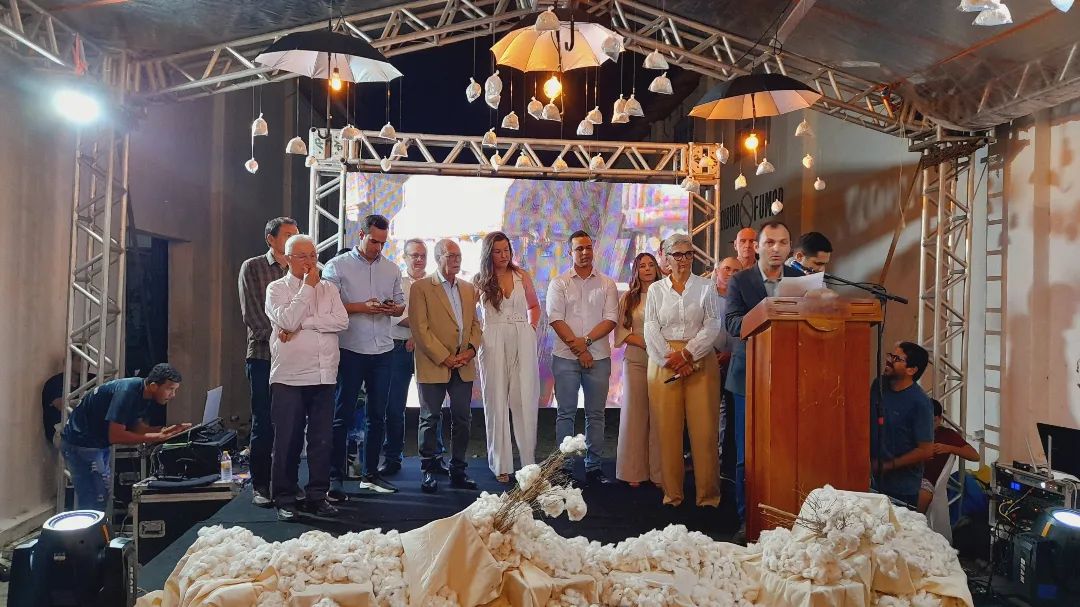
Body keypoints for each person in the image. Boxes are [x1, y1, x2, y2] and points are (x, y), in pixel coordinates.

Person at [724, 221, 803, 539]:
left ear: (789, 247)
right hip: (749, 377)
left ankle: (789, 515)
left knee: (787, 451)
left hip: (790, 376)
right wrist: (767, 311)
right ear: (757, 247)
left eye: (783, 242)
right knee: (748, 454)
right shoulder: (740, 280)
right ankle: (749, 519)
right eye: (769, 242)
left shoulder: (799, 279)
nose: (776, 248)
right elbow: (732, 324)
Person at [265, 234, 349, 521]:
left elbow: (342, 321)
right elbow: (287, 321)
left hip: (325, 374)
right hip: (289, 376)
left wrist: (306, 324)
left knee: (321, 439)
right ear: (288, 259)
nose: (310, 262)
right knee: (287, 440)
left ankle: (317, 495)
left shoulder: (329, 289)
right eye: (302, 256)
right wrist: (307, 289)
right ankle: (285, 497)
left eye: (313, 255)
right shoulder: (277, 289)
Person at [323, 214, 405, 498]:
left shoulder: (392, 268)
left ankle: (370, 474)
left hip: (383, 349)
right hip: (350, 348)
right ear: (360, 235)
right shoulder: (337, 265)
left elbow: (400, 304)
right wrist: (361, 307)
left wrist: (392, 308)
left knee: (377, 415)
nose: (378, 248)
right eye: (373, 241)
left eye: (382, 243)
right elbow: (328, 305)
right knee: (341, 415)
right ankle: (334, 477)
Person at [644, 234, 723, 507]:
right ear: (666, 258)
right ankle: (673, 495)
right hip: (664, 362)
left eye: (688, 254)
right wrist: (672, 358)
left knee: (705, 431)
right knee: (667, 432)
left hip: (700, 360)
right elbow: (650, 328)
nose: (683, 260)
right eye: (677, 254)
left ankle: (708, 497)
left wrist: (688, 354)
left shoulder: (706, 286)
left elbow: (713, 324)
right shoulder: (655, 290)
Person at [60, 364, 188, 511]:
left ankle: (98, 524)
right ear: (154, 386)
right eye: (170, 389)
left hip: (96, 443)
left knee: (102, 495)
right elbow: (115, 436)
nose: (173, 395)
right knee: (94, 499)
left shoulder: (144, 394)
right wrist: (158, 436)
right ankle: (90, 525)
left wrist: (166, 431)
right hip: (81, 443)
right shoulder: (127, 392)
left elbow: (137, 428)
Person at [410, 239, 483, 493]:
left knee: (463, 418)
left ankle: (458, 469)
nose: (456, 260)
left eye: (459, 255)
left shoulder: (468, 288)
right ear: (438, 257)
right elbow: (420, 329)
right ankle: (428, 469)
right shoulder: (421, 288)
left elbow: (475, 325)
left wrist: (471, 350)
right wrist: (445, 357)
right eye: (451, 255)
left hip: (463, 364)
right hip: (434, 363)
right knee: (430, 417)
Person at [547, 230, 619, 485]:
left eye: (588, 247)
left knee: (595, 415)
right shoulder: (559, 283)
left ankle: (594, 467)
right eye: (579, 248)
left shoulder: (607, 283)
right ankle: (563, 469)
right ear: (570, 252)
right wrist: (581, 350)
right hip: (565, 358)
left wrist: (586, 343)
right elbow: (555, 319)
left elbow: (611, 319)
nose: (585, 252)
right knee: (565, 414)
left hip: (598, 359)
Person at [238, 216, 298, 506]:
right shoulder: (253, 267)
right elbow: (252, 314)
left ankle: (287, 482)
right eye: (287, 235)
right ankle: (260, 485)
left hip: (296, 359)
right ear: (270, 239)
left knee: (292, 422)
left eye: (296, 234)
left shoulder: (302, 270)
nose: (292, 239)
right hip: (263, 355)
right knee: (264, 422)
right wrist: (283, 336)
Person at [474, 232, 541, 483]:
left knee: (525, 398)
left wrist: (530, 329)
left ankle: (528, 464)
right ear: (488, 253)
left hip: (522, 337)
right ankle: (500, 463)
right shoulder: (479, 280)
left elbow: (534, 306)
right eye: (498, 251)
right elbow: (470, 314)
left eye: (507, 250)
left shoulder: (522, 275)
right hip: (492, 339)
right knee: (496, 401)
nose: (504, 255)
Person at [380, 238, 429, 477]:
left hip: (427, 349)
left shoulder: (435, 283)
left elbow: (439, 319)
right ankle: (392, 457)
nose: (419, 259)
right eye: (414, 255)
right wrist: (419, 332)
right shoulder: (395, 281)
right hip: (397, 348)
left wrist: (418, 337)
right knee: (394, 407)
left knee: (431, 407)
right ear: (404, 257)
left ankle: (433, 457)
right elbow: (394, 315)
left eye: (422, 255)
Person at [614, 253, 662, 487]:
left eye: (651, 264)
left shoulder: (667, 294)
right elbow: (622, 333)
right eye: (642, 266)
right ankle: (634, 471)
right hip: (636, 359)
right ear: (636, 271)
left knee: (660, 417)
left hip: (663, 361)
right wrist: (647, 343)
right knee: (635, 415)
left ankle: (659, 472)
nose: (647, 269)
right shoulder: (628, 298)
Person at [871, 342, 935, 509]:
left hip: (901, 489)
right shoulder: (879, 385)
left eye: (897, 359)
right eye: (891, 355)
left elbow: (925, 450)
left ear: (911, 370)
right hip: (871, 480)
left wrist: (889, 465)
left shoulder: (920, 403)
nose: (889, 360)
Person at [917, 400, 979, 513]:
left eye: (933, 421)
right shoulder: (913, 430)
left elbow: (975, 456)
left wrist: (949, 448)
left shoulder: (947, 434)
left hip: (926, 481)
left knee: (923, 494)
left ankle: (914, 521)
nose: (929, 425)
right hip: (908, 474)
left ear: (940, 419)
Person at [712, 256, 741, 483]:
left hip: (736, 362)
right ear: (717, 270)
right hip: (708, 360)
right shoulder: (705, 295)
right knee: (708, 414)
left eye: (736, 270)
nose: (730, 273)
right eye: (726, 269)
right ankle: (707, 462)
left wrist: (731, 354)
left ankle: (727, 466)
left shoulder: (744, 297)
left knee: (731, 415)